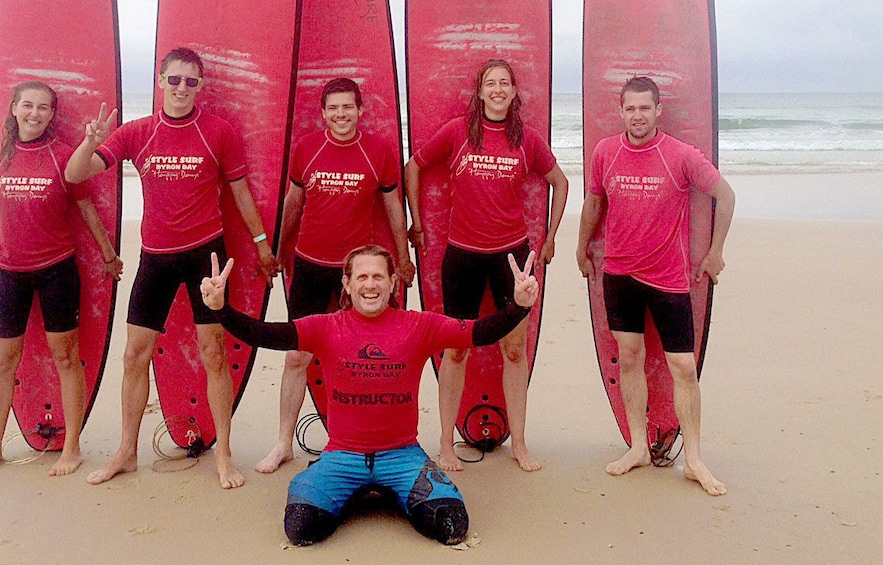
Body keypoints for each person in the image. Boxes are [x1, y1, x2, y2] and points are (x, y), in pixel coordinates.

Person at [200, 244, 538, 545]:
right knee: (301, 528)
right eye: (361, 277)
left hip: (402, 456)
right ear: (347, 285)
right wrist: (220, 309)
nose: (370, 284)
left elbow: (479, 333)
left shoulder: (419, 326)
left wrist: (520, 306)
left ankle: (389, 488)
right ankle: (358, 487)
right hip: (342, 456)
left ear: (393, 283)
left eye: (378, 276)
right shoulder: (326, 327)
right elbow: (266, 334)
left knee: (451, 525)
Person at [65, 47, 280, 489]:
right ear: (160, 81)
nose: (182, 88)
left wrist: (261, 244)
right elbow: (74, 175)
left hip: (207, 256)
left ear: (201, 86)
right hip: (155, 259)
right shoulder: (137, 133)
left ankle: (223, 453)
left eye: (191, 81)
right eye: (175, 79)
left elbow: (241, 194)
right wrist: (90, 139)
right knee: (132, 357)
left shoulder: (217, 132)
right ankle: (126, 451)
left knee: (215, 355)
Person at [405, 59, 569, 472]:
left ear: (514, 92)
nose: (497, 90)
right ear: (479, 93)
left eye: (504, 84)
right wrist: (418, 223)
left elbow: (560, 182)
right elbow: (413, 168)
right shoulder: (457, 133)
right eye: (489, 84)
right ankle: (445, 443)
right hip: (461, 255)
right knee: (455, 352)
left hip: (512, 257)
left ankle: (521, 444)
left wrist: (550, 238)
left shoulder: (527, 140)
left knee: (514, 350)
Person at [576, 76, 735, 496]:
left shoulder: (680, 155)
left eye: (645, 108)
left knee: (683, 366)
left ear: (658, 110)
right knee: (629, 358)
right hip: (619, 275)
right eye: (630, 108)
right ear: (621, 110)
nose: (638, 115)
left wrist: (715, 252)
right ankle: (637, 447)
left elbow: (726, 194)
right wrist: (580, 246)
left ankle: (695, 459)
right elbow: (594, 202)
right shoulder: (605, 152)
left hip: (667, 279)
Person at [256, 78, 414, 474]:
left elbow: (393, 208)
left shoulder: (378, 152)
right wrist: (278, 250)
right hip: (309, 264)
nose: (341, 114)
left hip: (357, 273)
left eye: (348, 107)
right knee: (297, 356)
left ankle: (371, 441)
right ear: (323, 113)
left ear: (361, 110)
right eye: (333, 108)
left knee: (365, 357)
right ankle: (282, 444)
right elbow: (293, 202)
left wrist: (403, 256)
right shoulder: (307, 149)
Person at [0, 81, 122, 477]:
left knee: (66, 357)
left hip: (57, 269)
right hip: (8, 272)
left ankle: (72, 447)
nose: (35, 114)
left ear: (52, 115)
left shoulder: (64, 158)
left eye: (43, 108)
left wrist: (108, 255)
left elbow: (87, 208)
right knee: (4, 361)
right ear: (14, 109)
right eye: (28, 106)